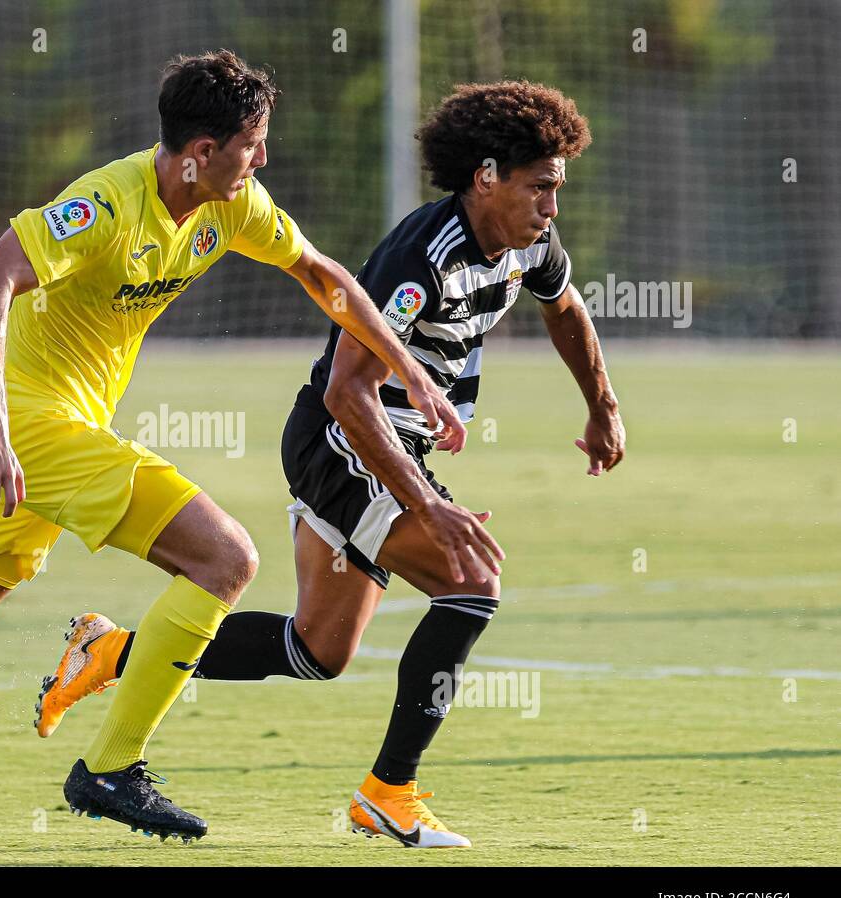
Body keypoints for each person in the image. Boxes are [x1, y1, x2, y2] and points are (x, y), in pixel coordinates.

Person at [0, 50, 467, 849]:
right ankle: (111, 767)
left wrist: (410, 371)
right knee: (225, 560)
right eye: (254, 142)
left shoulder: (232, 203)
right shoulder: (107, 203)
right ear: (202, 151)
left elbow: (325, 278)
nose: (264, 157)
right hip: (33, 429)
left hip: (53, 438)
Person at [37, 80, 626, 849]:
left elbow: (566, 307)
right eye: (540, 187)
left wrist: (602, 404)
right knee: (472, 583)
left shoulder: (530, 245)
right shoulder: (424, 258)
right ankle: (390, 793)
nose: (552, 206)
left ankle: (109, 651)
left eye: (557, 189)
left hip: (383, 444)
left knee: (317, 650)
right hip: (345, 439)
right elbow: (350, 392)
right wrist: (429, 506)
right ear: (486, 176)